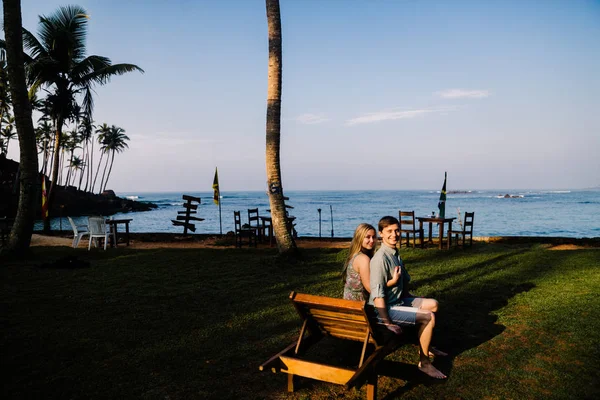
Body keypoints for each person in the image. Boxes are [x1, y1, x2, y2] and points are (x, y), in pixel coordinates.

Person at [369, 216, 447, 379]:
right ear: (381, 233)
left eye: (397, 230)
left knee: (433, 304)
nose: (394, 234)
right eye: (389, 231)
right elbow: (377, 296)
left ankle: (425, 346)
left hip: (398, 302)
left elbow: (402, 287)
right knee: (428, 317)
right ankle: (424, 363)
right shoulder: (380, 259)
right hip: (384, 310)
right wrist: (387, 322)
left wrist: (414, 300)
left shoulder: (395, 254)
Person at [342, 223, 400, 301]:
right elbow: (372, 289)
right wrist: (392, 282)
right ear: (359, 238)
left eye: (374, 237)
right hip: (360, 306)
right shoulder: (363, 259)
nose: (372, 240)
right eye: (368, 237)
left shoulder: (357, 255)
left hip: (350, 303)